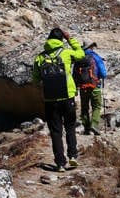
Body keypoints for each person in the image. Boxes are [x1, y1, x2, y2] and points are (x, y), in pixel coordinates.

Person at [32, 27, 86, 171]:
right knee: (70, 127)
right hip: (67, 96)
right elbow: (81, 55)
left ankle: (60, 163)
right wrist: (71, 39)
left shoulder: (40, 57)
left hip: (50, 100)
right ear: (61, 39)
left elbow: (35, 79)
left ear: (48, 39)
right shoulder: (66, 53)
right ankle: (73, 156)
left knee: (55, 131)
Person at [75, 42, 108, 135]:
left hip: (82, 87)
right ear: (91, 47)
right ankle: (94, 124)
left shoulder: (78, 57)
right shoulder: (95, 57)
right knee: (96, 106)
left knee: (84, 107)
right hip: (95, 86)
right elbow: (103, 73)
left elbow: (75, 74)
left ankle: (86, 128)